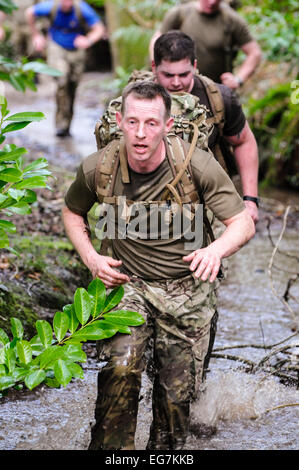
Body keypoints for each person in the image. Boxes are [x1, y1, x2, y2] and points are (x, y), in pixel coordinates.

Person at [62, 81, 255, 449]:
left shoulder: (197, 165)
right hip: (127, 285)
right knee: (120, 369)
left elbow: (242, 223)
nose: (140, 133)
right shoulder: (99, 167)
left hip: (185, 293)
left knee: (175, 401)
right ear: (119, 121)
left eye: (151, 123)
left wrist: (214, 251)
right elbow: (72, 212)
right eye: (132, 122)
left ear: (167, 126)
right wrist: (91, 257)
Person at [152, 30, 259, 224]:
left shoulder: (219, 98)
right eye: (168, 75)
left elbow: (244, 141)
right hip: (151, 202)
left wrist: (250, 200)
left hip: (207, 202)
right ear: (154, 68)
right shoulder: (138, 101)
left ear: (194, 66)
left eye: (184, 74)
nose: (176, 83)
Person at [25, 0, 105, 137]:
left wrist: (88, 40)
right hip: (56, 46)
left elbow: (99, 28)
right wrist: (36, 35)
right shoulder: (50, 6)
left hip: (76, 49)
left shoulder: (81, 8)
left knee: (72, 86)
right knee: (62, 79)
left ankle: (67, 125)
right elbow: (29, 12)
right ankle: (60, 125)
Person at [150, 0, 262, 90]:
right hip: (176, 87)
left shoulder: (231, 20)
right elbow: (156, 40)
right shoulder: (181, 14)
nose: (212, 2)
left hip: (214, 91)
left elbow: (254, 53)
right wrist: (158, 70)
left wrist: (238, 79)